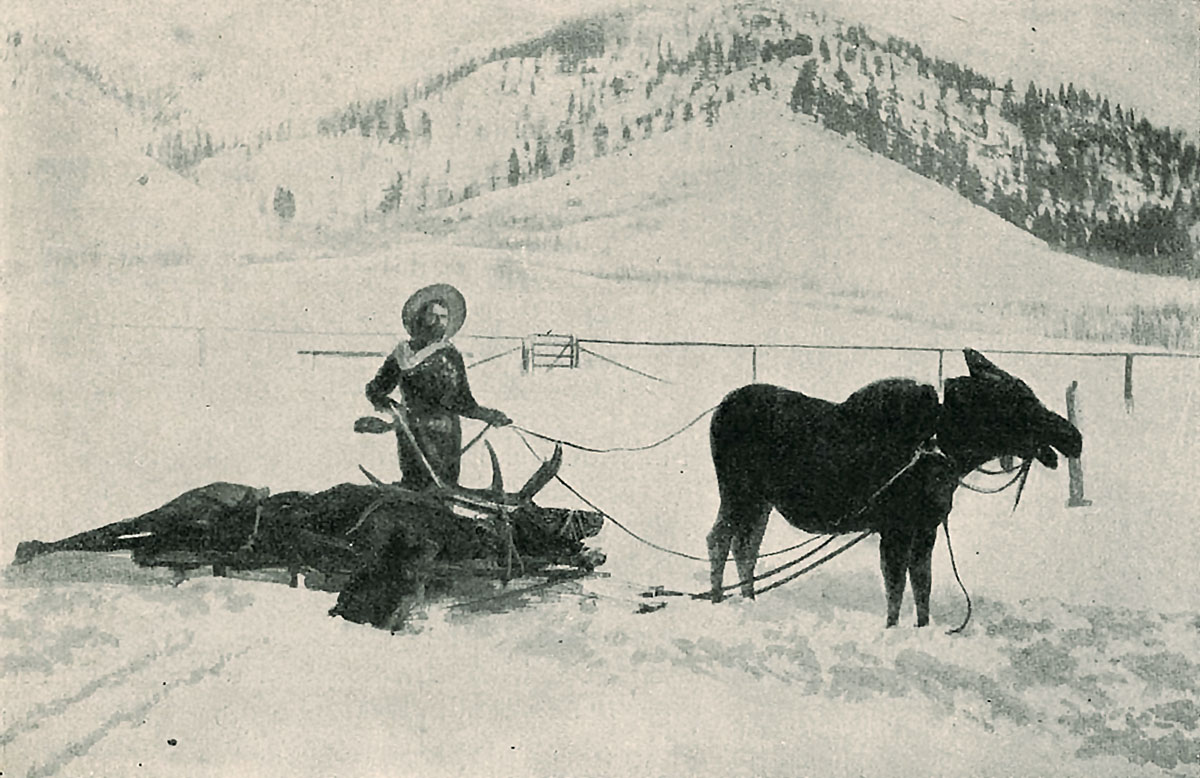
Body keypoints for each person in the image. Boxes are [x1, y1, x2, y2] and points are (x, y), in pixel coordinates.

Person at [365, 283, 511, 488]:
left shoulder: (449, 355)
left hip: (444, 437)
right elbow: (375, 389)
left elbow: (463, 402)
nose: (438, 323)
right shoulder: (402, 353)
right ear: (420, 318)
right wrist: (393, 409)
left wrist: (490, 415)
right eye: (432, 316)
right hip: (411, 434)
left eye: (443, 317)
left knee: (441, 491)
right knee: (414, 489)